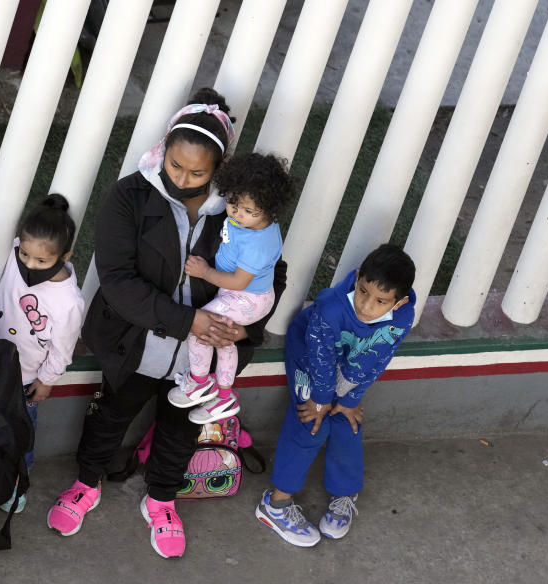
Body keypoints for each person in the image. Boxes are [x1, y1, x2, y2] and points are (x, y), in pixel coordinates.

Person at [46, 88, 285, 559]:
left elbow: (269, 270)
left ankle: (161, 498)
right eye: (177, 166)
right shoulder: (129, 197)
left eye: (199, 172)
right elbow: (116, 280)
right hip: (135, 339)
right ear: (165, 150)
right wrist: (189, 320)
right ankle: (85, 483)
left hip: (209, 346)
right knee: (111, 413)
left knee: (181, 426)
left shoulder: (242, 206)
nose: (184, 178)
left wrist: (246, 327)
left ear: (220, 167)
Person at [255, 244, 415, 547]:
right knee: (311, 422)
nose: (366, 306)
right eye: (363, 291)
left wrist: (349, 401)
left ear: (399, 302)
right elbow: (320, 356)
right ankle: (274, 505)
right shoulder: (331, 308)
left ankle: (344, 493)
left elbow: (376, 360)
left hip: (352, 364)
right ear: (357, 278)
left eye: (381, 301)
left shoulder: (402, 319)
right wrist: (321, 398)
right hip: (310, 354)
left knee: (346, 422)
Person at [0, 194, 85, 513]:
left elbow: (62, 350)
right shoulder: (9, 255)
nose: (29, 265)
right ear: (19, 243)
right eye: (24, 254)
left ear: (65, 256)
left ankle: (16, 485)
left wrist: (47, 381)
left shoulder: (69, 302)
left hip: (25, 380)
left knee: (19, 434)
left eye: (41, 262)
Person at [168, 153, 293, 424]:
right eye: (234, 203)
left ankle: (200, 381)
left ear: (271, 209)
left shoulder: (258, 244)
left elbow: (239, 282)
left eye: (250, 211)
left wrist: (205, 272)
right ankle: (224, 397)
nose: (238, 213)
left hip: (246, 298)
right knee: (223, 340)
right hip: (241, 296)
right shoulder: (248, 222)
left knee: (200, 327)